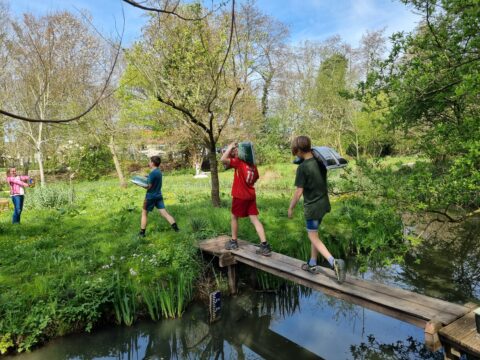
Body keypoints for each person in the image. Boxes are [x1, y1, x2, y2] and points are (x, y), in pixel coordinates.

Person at [288, 136, 346, 284]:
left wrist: (291, 207)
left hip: (312, 208)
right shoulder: (320, 162)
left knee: (312, 236)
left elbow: (299, 192)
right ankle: (313, 263)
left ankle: (334, 263)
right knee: (315, 233)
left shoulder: (302, 168)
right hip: (324, 205)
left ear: (298, 150)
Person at [220, 142, 271, 256]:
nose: (236, 151)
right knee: (255, 219)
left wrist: (229, 147)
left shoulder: (239, 162)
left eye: (238, 150)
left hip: (240, 196)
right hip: (251, 195)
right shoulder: (253, 165)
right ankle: (265, 245)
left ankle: (233, 241)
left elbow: (223, 160)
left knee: (234, 217)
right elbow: (256, 177)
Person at [139, 156, 179, 237]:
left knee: (144, 214)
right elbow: (154, 178)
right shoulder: (158, 172)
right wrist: (148, 176)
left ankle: (142, 234)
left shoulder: (152, 173)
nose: (148, 163)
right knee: (165, 213)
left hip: (150, 197)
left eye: (149, 161)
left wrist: (139, 184)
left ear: (153, 163)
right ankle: (177, 229)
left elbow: (148, 186)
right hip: (158, 196)